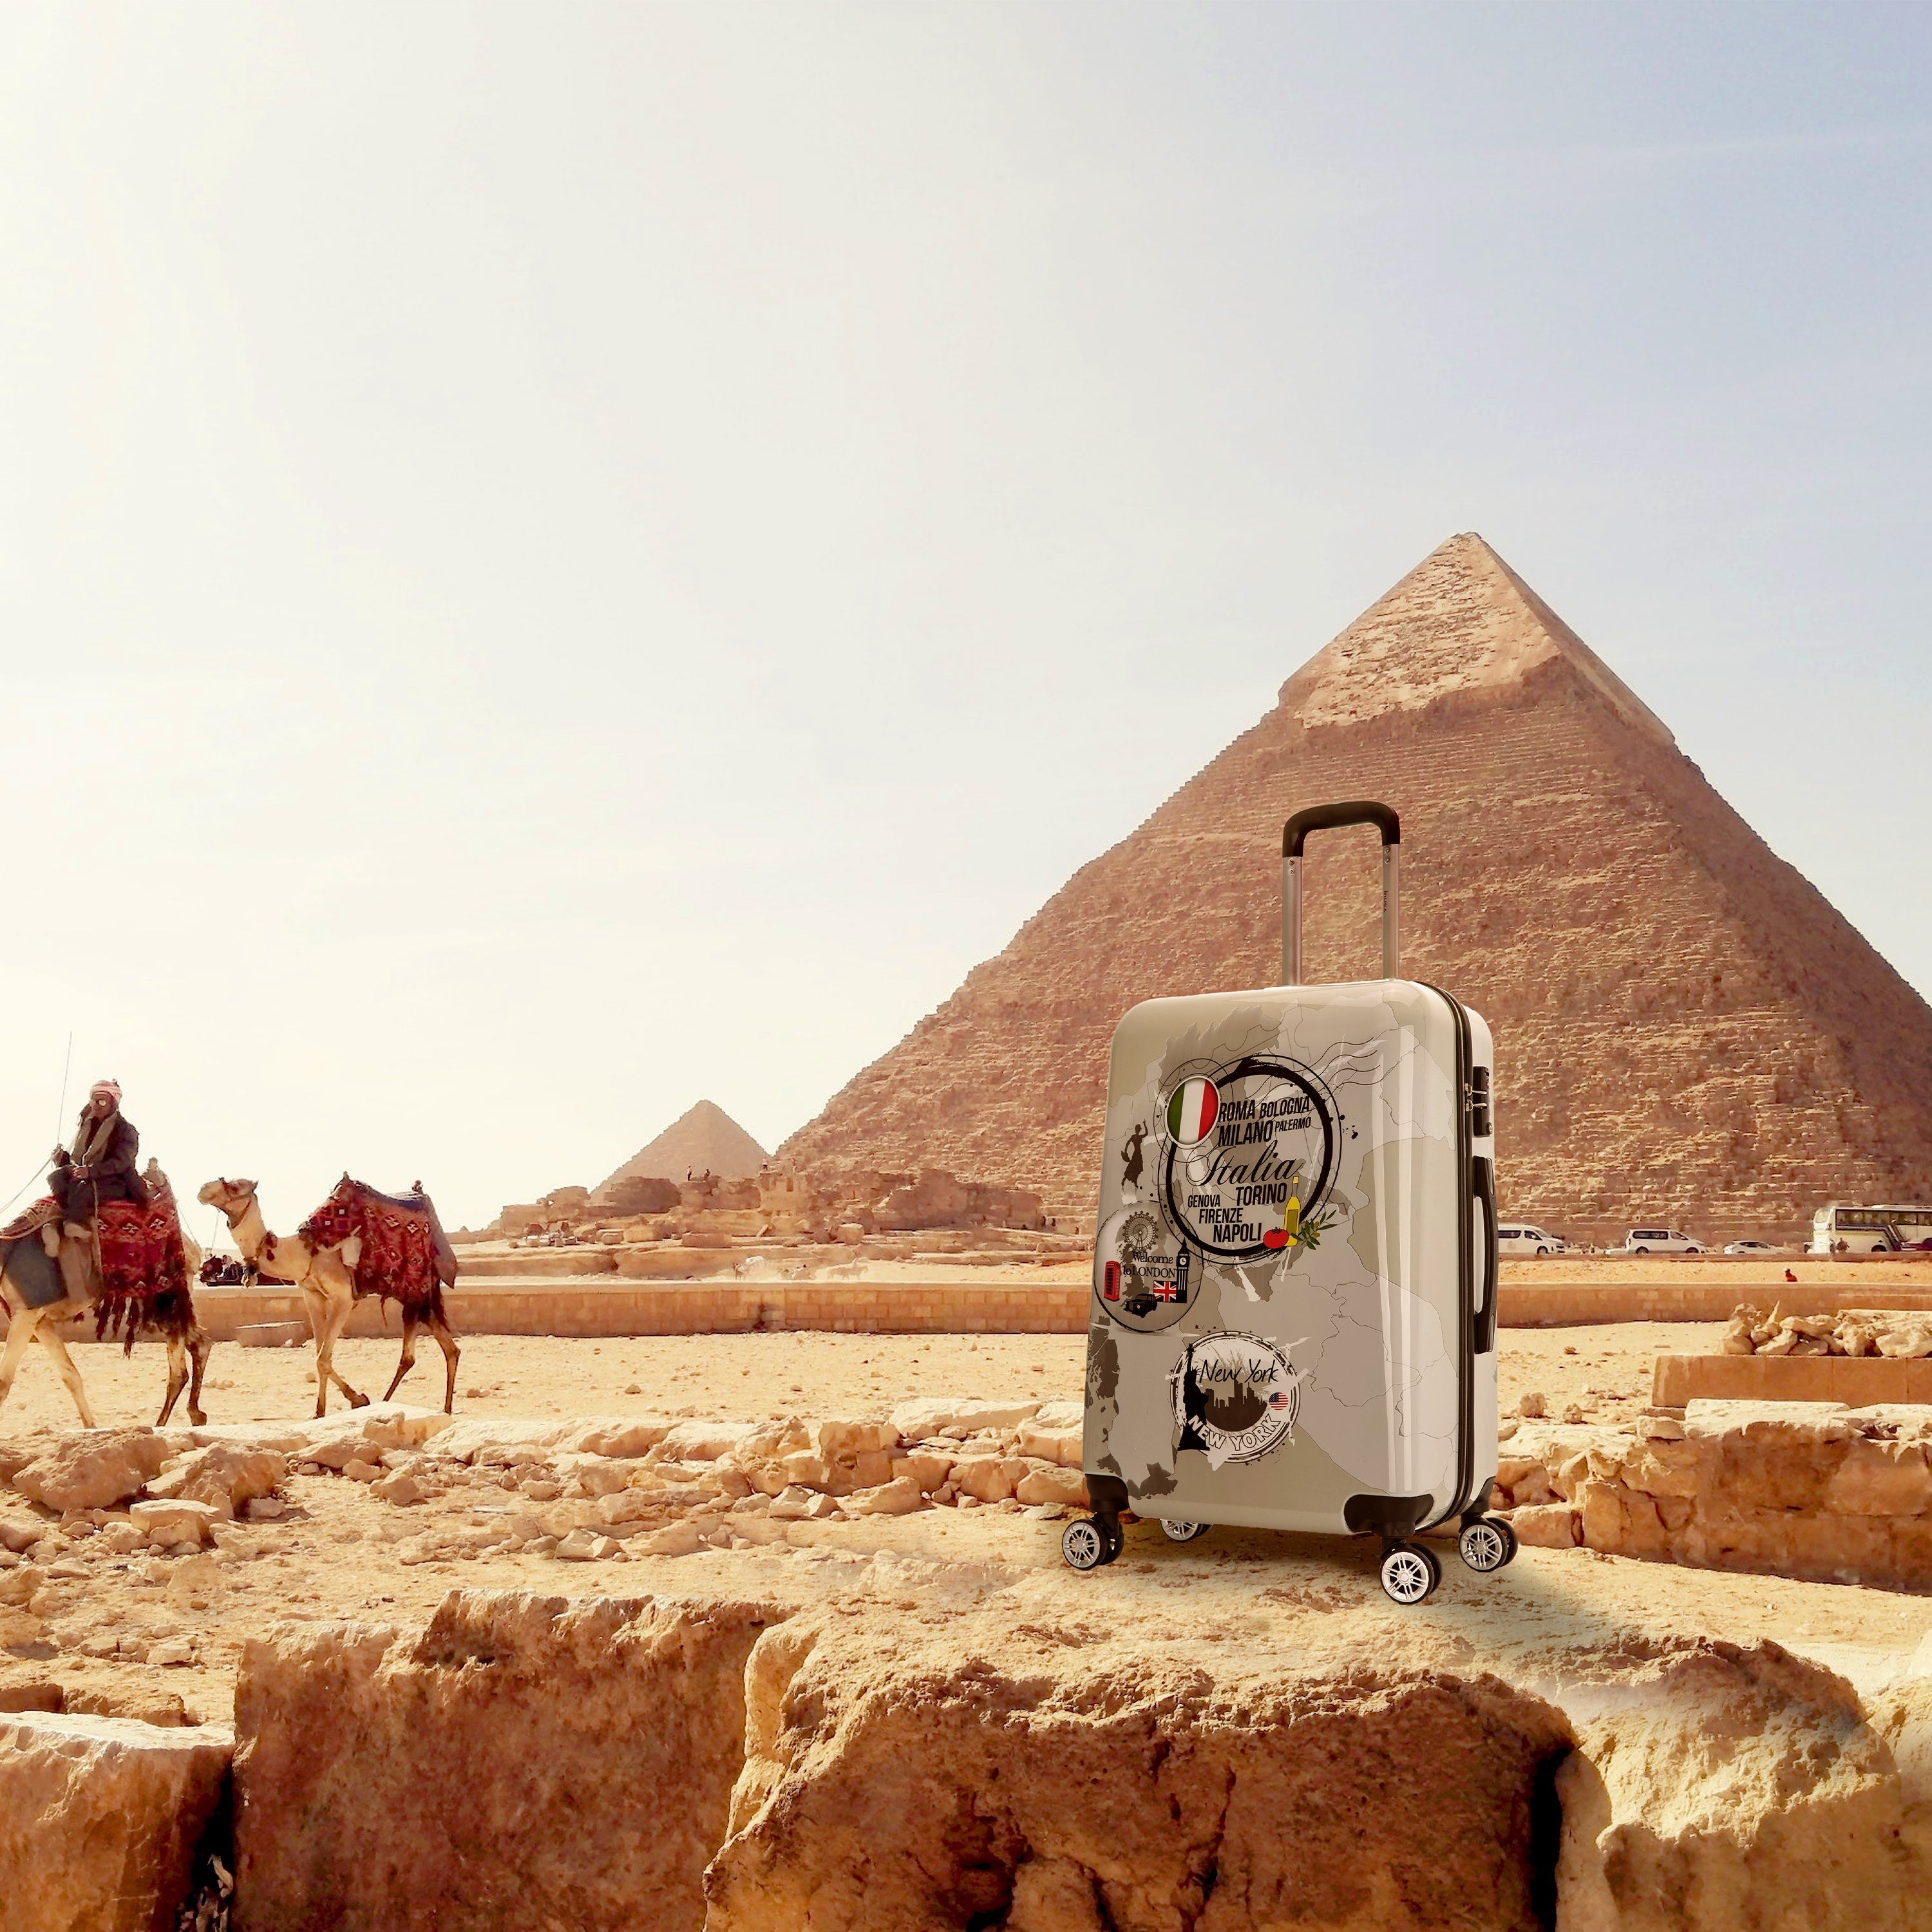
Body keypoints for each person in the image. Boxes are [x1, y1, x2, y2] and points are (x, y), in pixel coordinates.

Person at [49, 1079, 148, 1228]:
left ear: (112, 1105)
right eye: (94, 1101)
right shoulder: (86, 1126)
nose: (96, 1106)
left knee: (84, 1191)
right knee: (56, 1177)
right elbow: (79, 1160)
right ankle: (67, 1216)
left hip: (117, 1181)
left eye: (102, 1102)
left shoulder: (126, 1131)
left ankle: (79, 1225)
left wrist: (91, 1172)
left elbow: (122, 1163)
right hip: (86, 1175)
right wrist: (62, 1158)